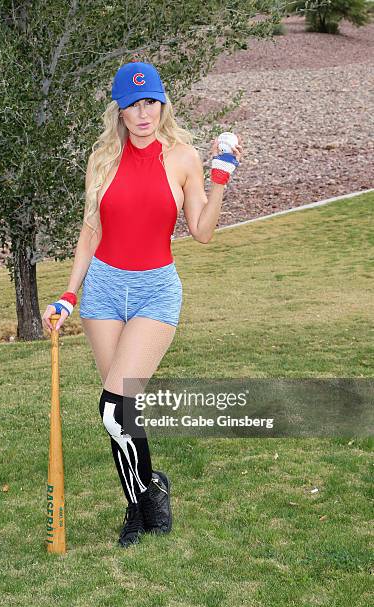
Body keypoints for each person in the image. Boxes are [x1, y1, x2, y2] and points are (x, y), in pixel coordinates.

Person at [42, 61, 243, 548]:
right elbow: (91, 231)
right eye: (132, 104)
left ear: (162, 103)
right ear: (119, 109)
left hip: (156, 289)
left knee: (114, 408)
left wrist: (220, 178)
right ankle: (142, 502)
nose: (142, 112)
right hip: (104, 292)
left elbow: (203, 232)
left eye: (150, 101)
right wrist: (69, 294)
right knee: (124, 416)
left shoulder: (182, 157)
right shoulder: (102, 159)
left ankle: (146, 494)